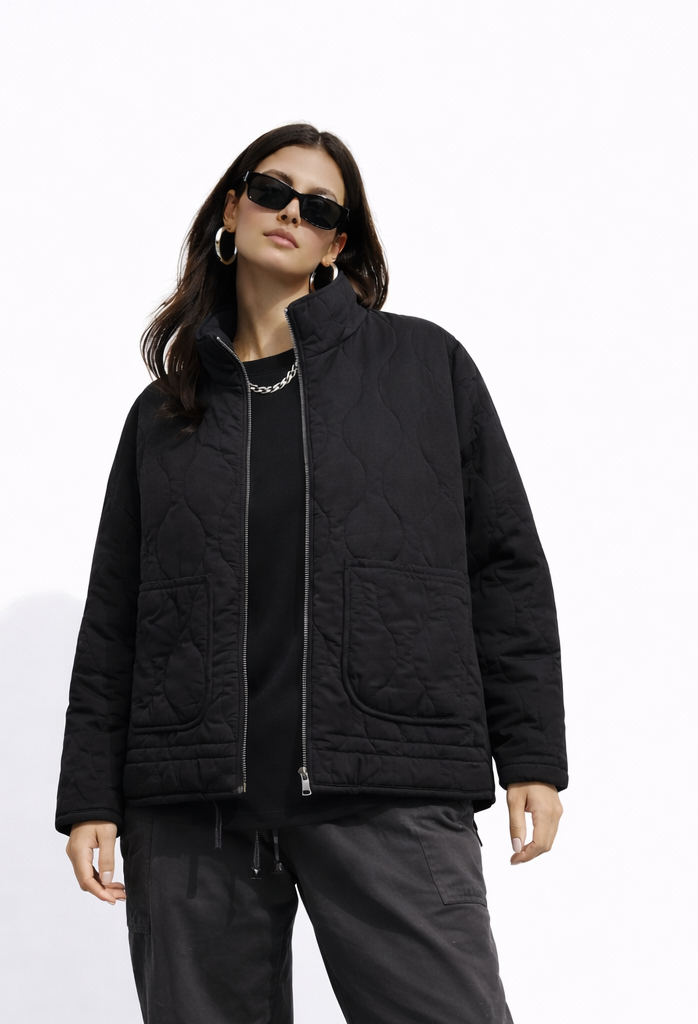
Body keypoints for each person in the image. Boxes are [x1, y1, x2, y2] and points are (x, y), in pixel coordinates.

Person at [55, 123, 567, 1024]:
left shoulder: (424, 367)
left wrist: (531, 753)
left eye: (320, 207)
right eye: (271, 190)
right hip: (193, 810)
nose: (291, 211)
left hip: (386, 783)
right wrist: (90, 795)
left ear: (337, 243)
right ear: (232, 208)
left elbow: (504, 564)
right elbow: (118, 614)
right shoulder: (165, 414)